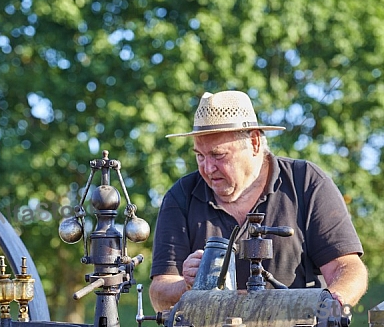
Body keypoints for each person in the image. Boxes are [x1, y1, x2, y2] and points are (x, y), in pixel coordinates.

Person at [149, 90, 368, 311]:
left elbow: (347, 268)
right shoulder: (181, 196)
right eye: (200, 156)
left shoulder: (307, 182)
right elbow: (159, 292)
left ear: (254, 142)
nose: (207, 168)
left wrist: (328, 307)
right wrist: (187, 285)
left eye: (218, 155)